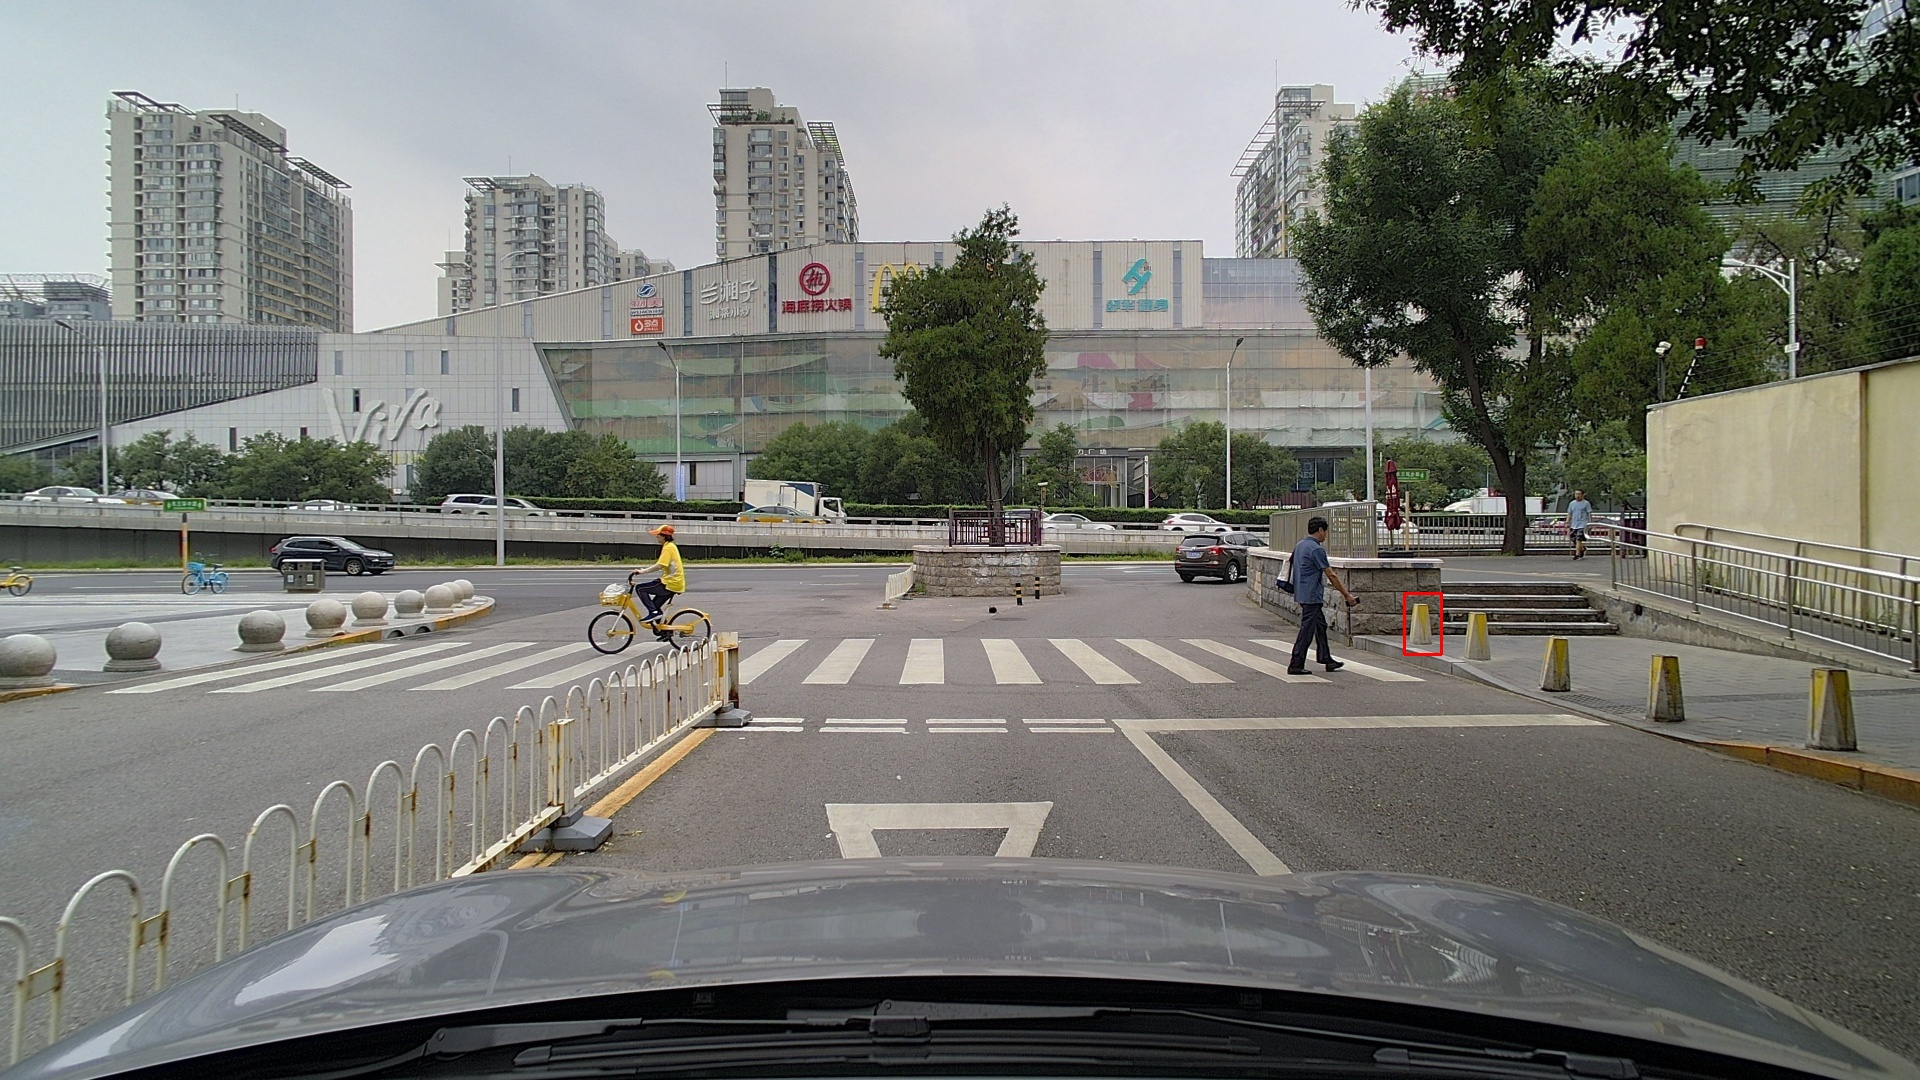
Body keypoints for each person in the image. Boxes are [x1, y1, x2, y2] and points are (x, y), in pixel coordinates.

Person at [1287, 516, 1358, 675]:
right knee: (1307, 630)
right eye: (1325, 531)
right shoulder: (1316, 549)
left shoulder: (1300, 545)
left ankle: (1326, 658)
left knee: (1320, 625)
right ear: (1320, 530)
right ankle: (1296, 664)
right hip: (1312, 594)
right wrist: (1347, 595)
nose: (1326, 535)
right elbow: (1331, 574)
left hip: (1301, 592)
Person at [632, 524, 686, 625]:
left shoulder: (668, 548)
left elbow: (660, 565)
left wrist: (642, 571)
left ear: (664, 536)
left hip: (670, 583)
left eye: (658, 535)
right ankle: (664, 631)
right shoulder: (670, 546)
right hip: (674, 583)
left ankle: (653, 613)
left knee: (640, 588)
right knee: (655, 606)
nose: (656, 536)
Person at [1567, 490, 1592, 561]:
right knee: (1573, 539)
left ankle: (1577, 554)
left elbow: (1589, 514)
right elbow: (1569, 513)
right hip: (1574, 524)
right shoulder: (1572, 503)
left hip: (1583, 524)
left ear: (1582, 495)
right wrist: (1567, 521)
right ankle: (1582, 548)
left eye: (1579, 494)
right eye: (1576, 494)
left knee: (1579, 539)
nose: (1577, 496)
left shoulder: (1586, 503)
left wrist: (1590, 524)